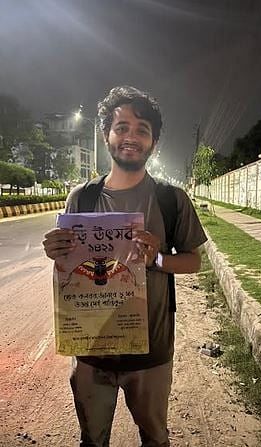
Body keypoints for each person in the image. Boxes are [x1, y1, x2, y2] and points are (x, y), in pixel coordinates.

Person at [42, 85, 207, 447]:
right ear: (106, 135)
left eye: (141, 129)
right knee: (92, 438)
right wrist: (55, 250)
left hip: (151, 352)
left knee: (154, 437)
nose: (130, 136)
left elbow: (195, 261)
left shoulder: (170, 199)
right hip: (90, 350)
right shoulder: (81, 197)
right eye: (121, 127)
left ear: (154, 141)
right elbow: (69, 265)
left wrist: (158, 258)